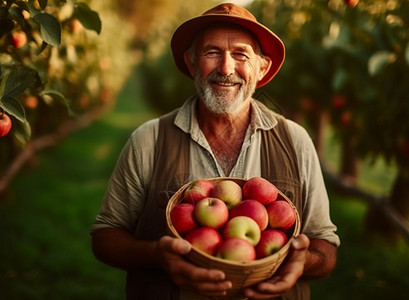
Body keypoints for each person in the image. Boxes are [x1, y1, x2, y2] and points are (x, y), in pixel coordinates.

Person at [91, 3, 340, 300]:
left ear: (262, 68)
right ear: (192, 62)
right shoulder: (149, 140)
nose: (226, 68)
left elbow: (325, 246)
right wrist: (158, 255)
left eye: (240, 54)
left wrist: (301, 263)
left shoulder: (295, 141)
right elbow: (106, 237)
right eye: (212, 52)